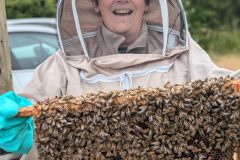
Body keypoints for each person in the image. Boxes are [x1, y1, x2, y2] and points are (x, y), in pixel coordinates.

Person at [0, 0, 239, 159]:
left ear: (147, 3)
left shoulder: (184, 56)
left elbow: (225, 92)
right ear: (94, 4)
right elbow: (17, 134)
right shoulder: (62, 67)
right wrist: (11, 130)